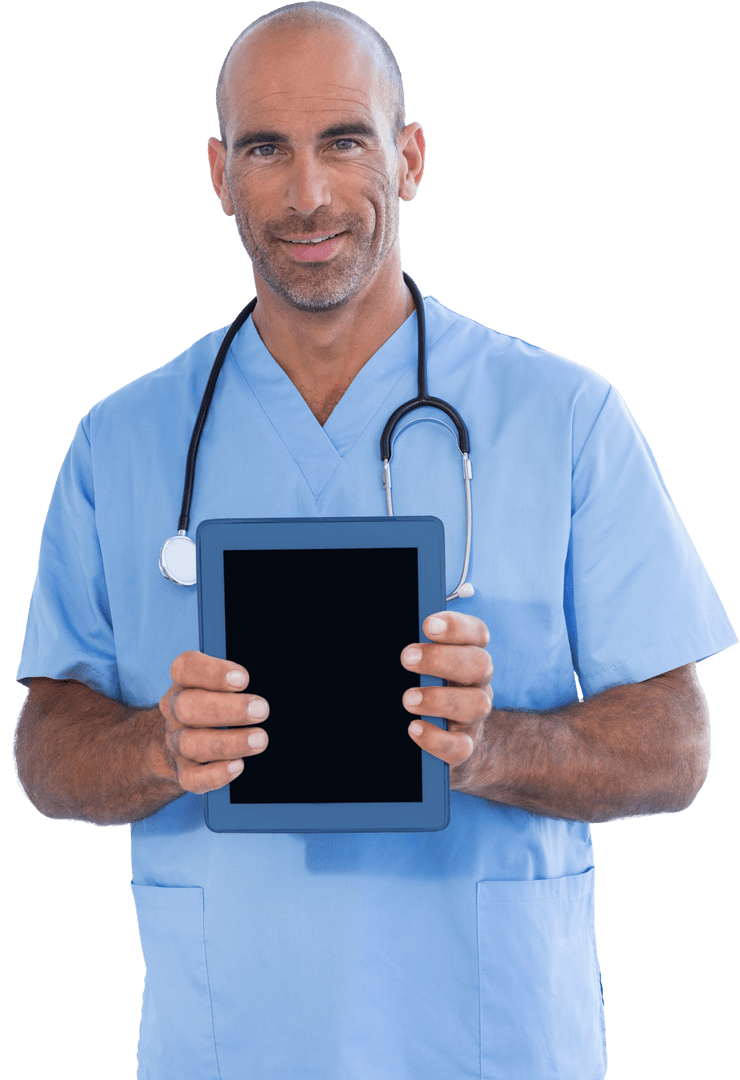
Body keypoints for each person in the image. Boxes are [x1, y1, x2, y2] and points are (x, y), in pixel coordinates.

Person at [12, 3, 737, 1078]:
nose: (305, 193)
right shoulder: (120, 443)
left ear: (408, 159)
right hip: (228, 1045)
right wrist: (155, 749)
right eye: (266, 149)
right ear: (219, 175)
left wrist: (495, 747)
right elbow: (43, 748)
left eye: (343, 141)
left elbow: (677, 749)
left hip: (490, 1045)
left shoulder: (564, 418)